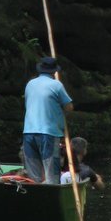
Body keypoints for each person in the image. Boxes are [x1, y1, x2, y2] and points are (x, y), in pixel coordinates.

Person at [22, 56, 73, 184]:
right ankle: (52, 199)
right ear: (54, 71)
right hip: (48, 133)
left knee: (33, 176)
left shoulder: (30, 84)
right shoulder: (56, 85)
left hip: (28, 132)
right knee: (52, 175)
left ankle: (35, 198)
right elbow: (69, 107)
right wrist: (59, 115)